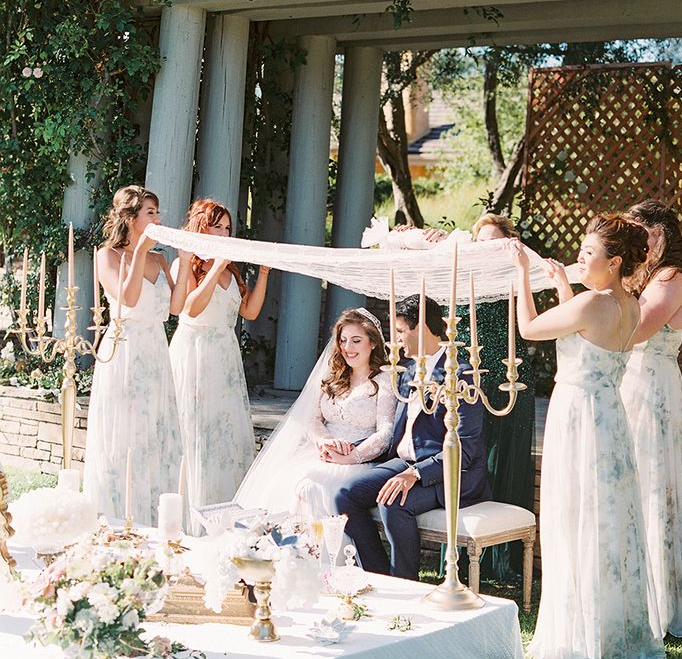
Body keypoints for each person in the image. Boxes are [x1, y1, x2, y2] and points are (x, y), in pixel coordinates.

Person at [508, 214, 665, 659]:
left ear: (614, 262)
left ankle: (582, 635)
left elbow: (530, 328)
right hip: (610, 418)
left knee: (575, 516)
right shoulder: (630, 304)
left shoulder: (592, 304)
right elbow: (583, 333)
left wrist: (522, 273)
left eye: (587, 255)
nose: (580, 259)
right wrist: (563, 285)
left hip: (577, 416)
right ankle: (615, 631)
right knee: (607, 520)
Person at [335, 295, 491, 582]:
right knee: (346, 495)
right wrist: (352, 448)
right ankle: (380, 576)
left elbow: (465, 450)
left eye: (400, 331)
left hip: (449, 473)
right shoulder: (407, 371)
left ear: (421, 328)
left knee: (394, 501)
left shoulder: (462, 375)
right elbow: (398, 431)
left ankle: (405, 583)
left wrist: (415, 474)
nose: (396, 340)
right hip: (404, 461)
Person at [426, 213, 537, 581]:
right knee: (466, 458)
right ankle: (458, 553)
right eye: (480, 241)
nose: (485, 247)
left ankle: (502, 561)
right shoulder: (460, 276)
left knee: (504, 459)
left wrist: (514, 256)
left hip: (509, 383)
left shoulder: (517, 277)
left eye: (495, 240)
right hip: (466, 383)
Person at [620, 200, 682, 638]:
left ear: (661, 234)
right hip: (631, 383)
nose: (635, 241)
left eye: (641, 232)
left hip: (652, 389)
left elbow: (633, 331)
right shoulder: (643, 276)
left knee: (653, 485)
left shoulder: (671, 280)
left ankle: (659, 603)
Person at [84, 185, 187, 526]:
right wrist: (140, 252)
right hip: (124, 349)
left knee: (155, 433)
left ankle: (154, 519)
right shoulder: (107, 256)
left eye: (157, 212)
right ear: (130, 218)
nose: (158, 218)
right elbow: (126, 299)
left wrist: (184, 264)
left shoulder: (161, 259)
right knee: (124, 435)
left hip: (156, 350)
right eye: (150, 213)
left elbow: (175, 308)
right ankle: (116, 520)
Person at [235, 308, 396, 521]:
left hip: (359, 461)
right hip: (322, 454)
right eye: (343, 340)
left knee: (313, 489)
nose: (348, 348)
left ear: (373, 343)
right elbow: (312, 419)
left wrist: (350, 457)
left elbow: (386, 431)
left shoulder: (385, 380)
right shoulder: (334, 375)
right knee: (286, 482)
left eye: (356, 340)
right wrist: (325, 442)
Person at [169, 199, 270, 525]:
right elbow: (191, 308)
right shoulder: (185, 265)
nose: (225, 233)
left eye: (228, 227)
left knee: (225, 433)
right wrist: (214, 266)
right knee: (196, 430)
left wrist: (264, 273)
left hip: (224, 356)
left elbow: (249, 312)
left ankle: (224, 514)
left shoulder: (230, 271)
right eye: (218, 226)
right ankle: (189, 515)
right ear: (202, 227)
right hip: (195, 351)